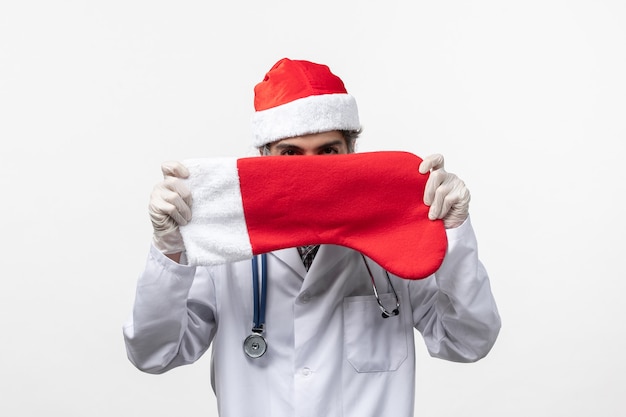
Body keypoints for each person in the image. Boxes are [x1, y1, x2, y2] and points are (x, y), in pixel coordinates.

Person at [123, 57, 501, 417]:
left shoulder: (393, 234)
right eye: (290, 153)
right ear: (264, 155)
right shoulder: (228, 244)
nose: (310, 170)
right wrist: (170, 253)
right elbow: (154, 353)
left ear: (351, 152)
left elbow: (468, 340)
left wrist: (453, 233)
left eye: (328, 151)